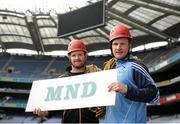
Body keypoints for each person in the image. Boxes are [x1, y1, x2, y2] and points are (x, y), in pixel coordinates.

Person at [33, 39, 105, 123]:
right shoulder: (62, 80)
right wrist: (46, 112)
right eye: (74, 55)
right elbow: (55, 106)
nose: (77, 58)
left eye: (80, 54)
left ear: (85, 56)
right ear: (69, 57)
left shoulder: (94, 75)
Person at [103, 25, 159, 123]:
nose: (118, 47)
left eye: (122, 44)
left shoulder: (136, 66)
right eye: (115, 44)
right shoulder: (109, 68)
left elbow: (154, 95)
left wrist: (126, 90)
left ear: (129, 46)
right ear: (111, 46)